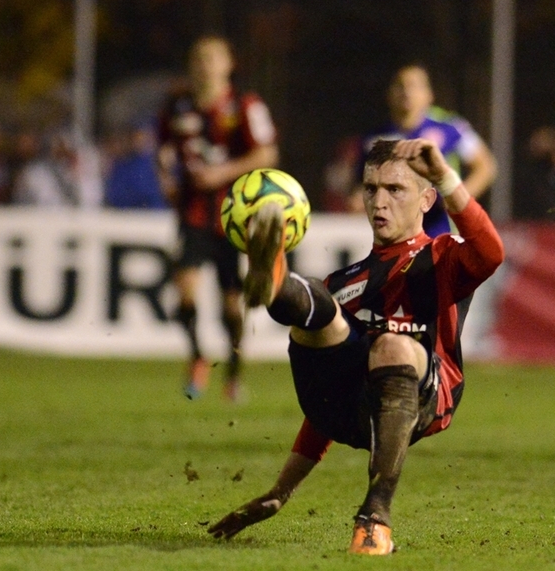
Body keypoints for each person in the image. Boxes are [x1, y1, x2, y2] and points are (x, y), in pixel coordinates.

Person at [205, 138, 504, 555]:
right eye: (370, 189)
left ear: (426, 199)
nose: (379, 202)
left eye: (395, 190)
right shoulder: (347, 282)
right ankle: (275, 283)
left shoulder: (442, 256)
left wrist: (446, 175)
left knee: (393, 346)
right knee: (323, 309)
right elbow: (326, 403)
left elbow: (490, 253)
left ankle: (375, 516)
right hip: (348, 406)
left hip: (424, 399)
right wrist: (280, 491)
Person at [156, 35, 279, 401]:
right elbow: (163, 146)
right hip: (192, 212)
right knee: (184, 291)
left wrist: (222, 173)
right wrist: (164, 175)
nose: (205, 65)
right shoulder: (177, 105)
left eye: (213, 58)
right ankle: (196, 355)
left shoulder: (244, 104)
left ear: (228, 64)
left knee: (231, 305)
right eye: (199, 58)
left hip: (233, 216)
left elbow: (267, 153)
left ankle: (234, 372)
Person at [360, 63, 497, 236]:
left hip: (440, 231)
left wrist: (456, 198)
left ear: (429, 94)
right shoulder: (375, 137)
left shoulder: (450, 128)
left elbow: (486, 166)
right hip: (394, 234)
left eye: (414, 86)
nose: (406, 92)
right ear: (389, 94)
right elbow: (359, 182)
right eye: (400, 85)